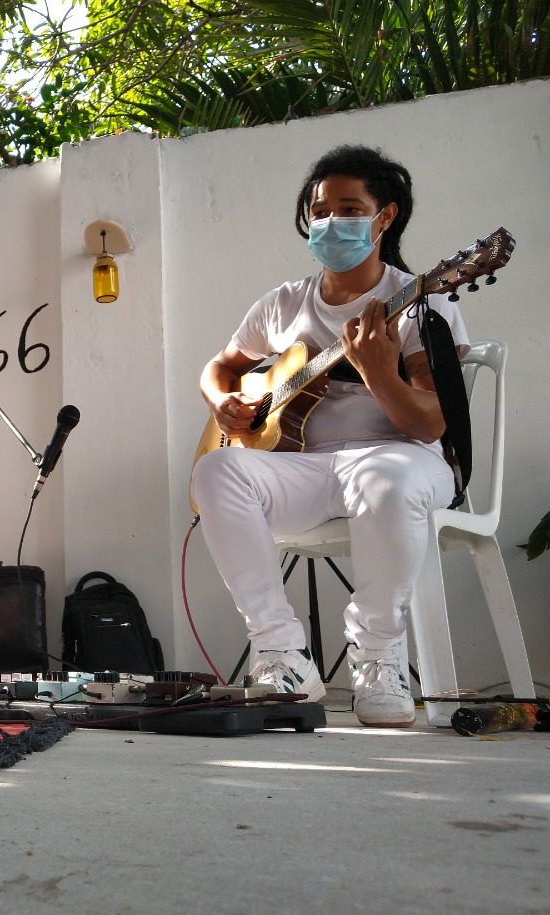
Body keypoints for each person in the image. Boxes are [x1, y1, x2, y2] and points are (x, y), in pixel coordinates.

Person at [190, 144, 467, 728]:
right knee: (216, 470)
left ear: (384, 217)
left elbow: (430, 423)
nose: (330, 223)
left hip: (403, 461)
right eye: (320, 211)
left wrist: (379, 376)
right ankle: (280, 652)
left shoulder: (421, 302)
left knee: (383, 475)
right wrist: (227, 405)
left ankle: (378, 656)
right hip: (308, 470)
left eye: (349, 209)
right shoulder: (284, 303)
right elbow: (220, 367)